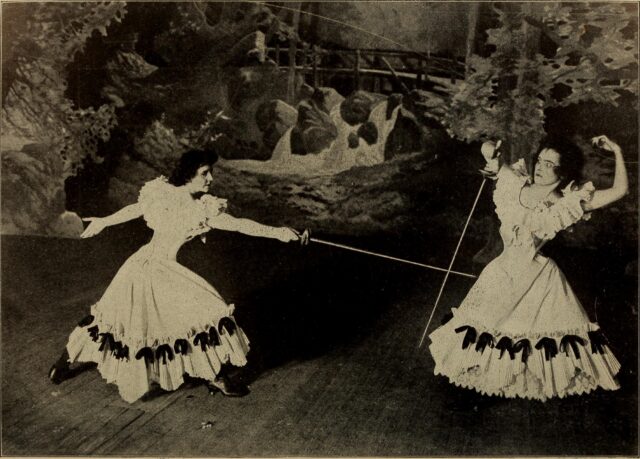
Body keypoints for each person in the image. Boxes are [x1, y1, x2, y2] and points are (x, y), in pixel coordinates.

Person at [48, 149, 302, 403]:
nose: (210, 178)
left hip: (157, 267)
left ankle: (215, 376)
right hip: (144, 267)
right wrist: (103, 221)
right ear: (188, 174)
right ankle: (64, 362)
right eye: (204, 173)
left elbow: (240, 224)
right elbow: (134, 209)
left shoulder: (203, 207)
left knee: (204, 313)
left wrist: (280, 233)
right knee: (112, 318)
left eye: (210, 172)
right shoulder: (162, 194)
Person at [429, 135, 629, 401]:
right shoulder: (515, 182)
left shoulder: (566, 203)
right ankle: (490, 379)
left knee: (537, 335)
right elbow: (487, 149)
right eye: (540, 160)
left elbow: (620, 191)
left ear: (563, 171)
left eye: (549, 164)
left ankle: (527, 381)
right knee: (486, 327)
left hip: (538, 277)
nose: (540, 167)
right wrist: (492, 152)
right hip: (503, 270)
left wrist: (617, 150)